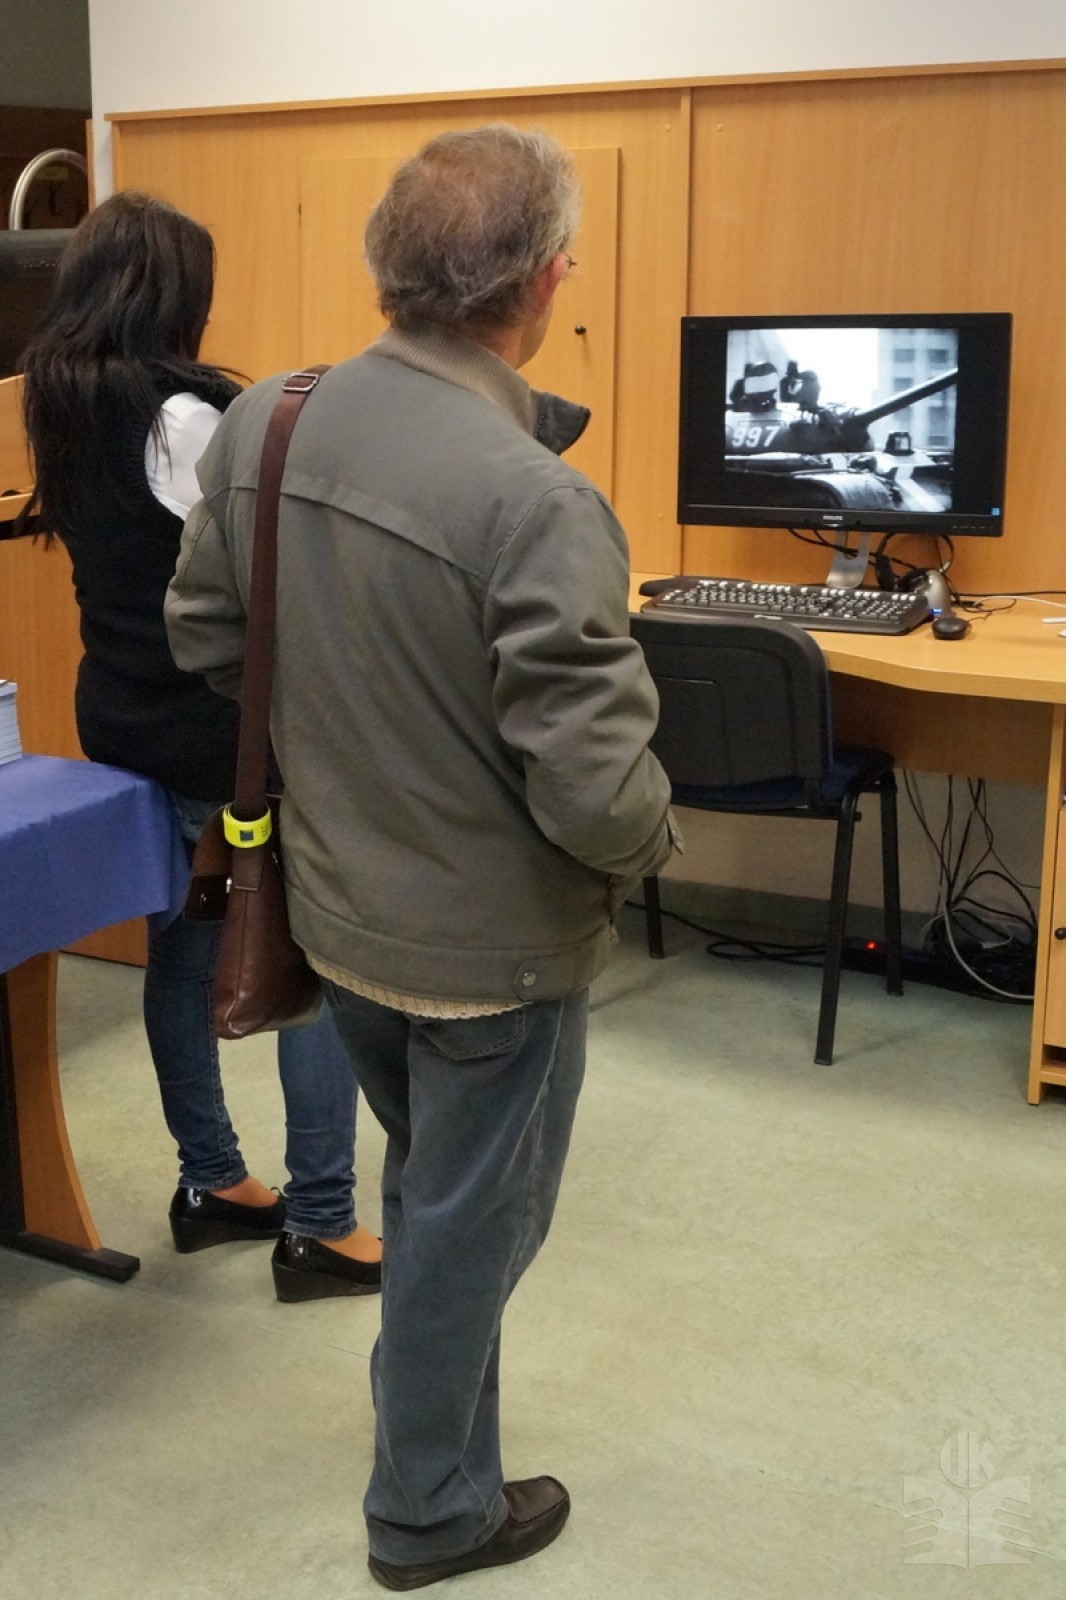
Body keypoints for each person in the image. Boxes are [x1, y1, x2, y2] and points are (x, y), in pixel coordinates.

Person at [164, 125, 676, 1588]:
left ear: (384, 265)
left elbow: (207, 638)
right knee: (468, 1229)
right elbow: (595, 792)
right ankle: (427, 1513)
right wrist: (656, 840)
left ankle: (445, 1459)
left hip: (335, 919)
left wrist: (352, 747)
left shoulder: (266, 422)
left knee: (432, 1197)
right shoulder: (537, 500)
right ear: (549, 279)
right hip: (492, 957)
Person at [20, 191, 381, 1302]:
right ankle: (321, 1223)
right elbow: (273, 567)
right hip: (222, 733)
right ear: (176, 294)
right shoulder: (183, 416)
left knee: (183, 945)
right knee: (310, 955)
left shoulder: (62, 399)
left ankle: (211, 1179)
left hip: (123, 710)